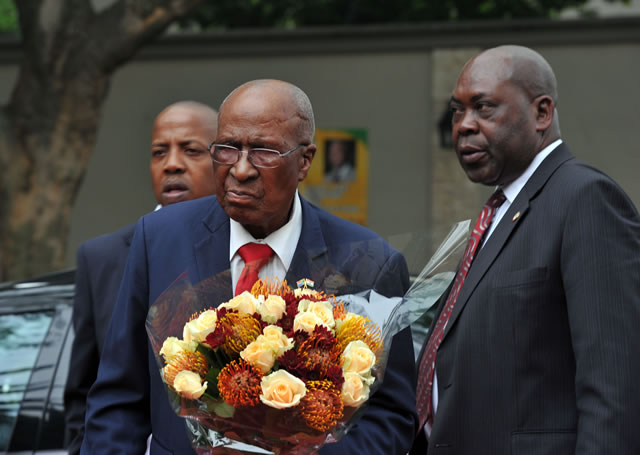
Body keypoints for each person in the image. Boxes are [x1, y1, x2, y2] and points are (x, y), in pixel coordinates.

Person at [81, 79, 417, 455]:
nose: (240, 170)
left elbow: (391, 417)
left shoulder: (370, 262)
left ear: (304, 160)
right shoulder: (158, 240)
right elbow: (117, 401)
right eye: (227, 149)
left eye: (262, 151)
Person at [411, 45, 640, 454]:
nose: (464, 125)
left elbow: (615, 385)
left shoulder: (584, 199)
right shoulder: (500, 210)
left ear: (542, 113)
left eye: (483, 107)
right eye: (457, 111)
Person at [64, 101, 219, 455]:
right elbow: (85, 393)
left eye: (191, 150)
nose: (172, 164)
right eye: (159, 152)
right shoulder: (102, 258)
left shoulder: (251, 252)